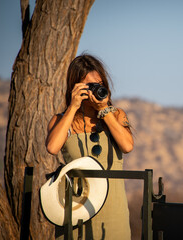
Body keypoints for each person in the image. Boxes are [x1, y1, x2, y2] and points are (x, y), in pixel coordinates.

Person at [46, 54, 134, 239]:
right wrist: (72, 107)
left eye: (100, 84)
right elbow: (52, 147)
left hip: (113, 213)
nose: (97, 90)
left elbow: (127, 146)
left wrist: (104, 110)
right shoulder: (62, 120)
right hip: (75, 212)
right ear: (75, 87)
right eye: (90, 86)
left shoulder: (116, 115)